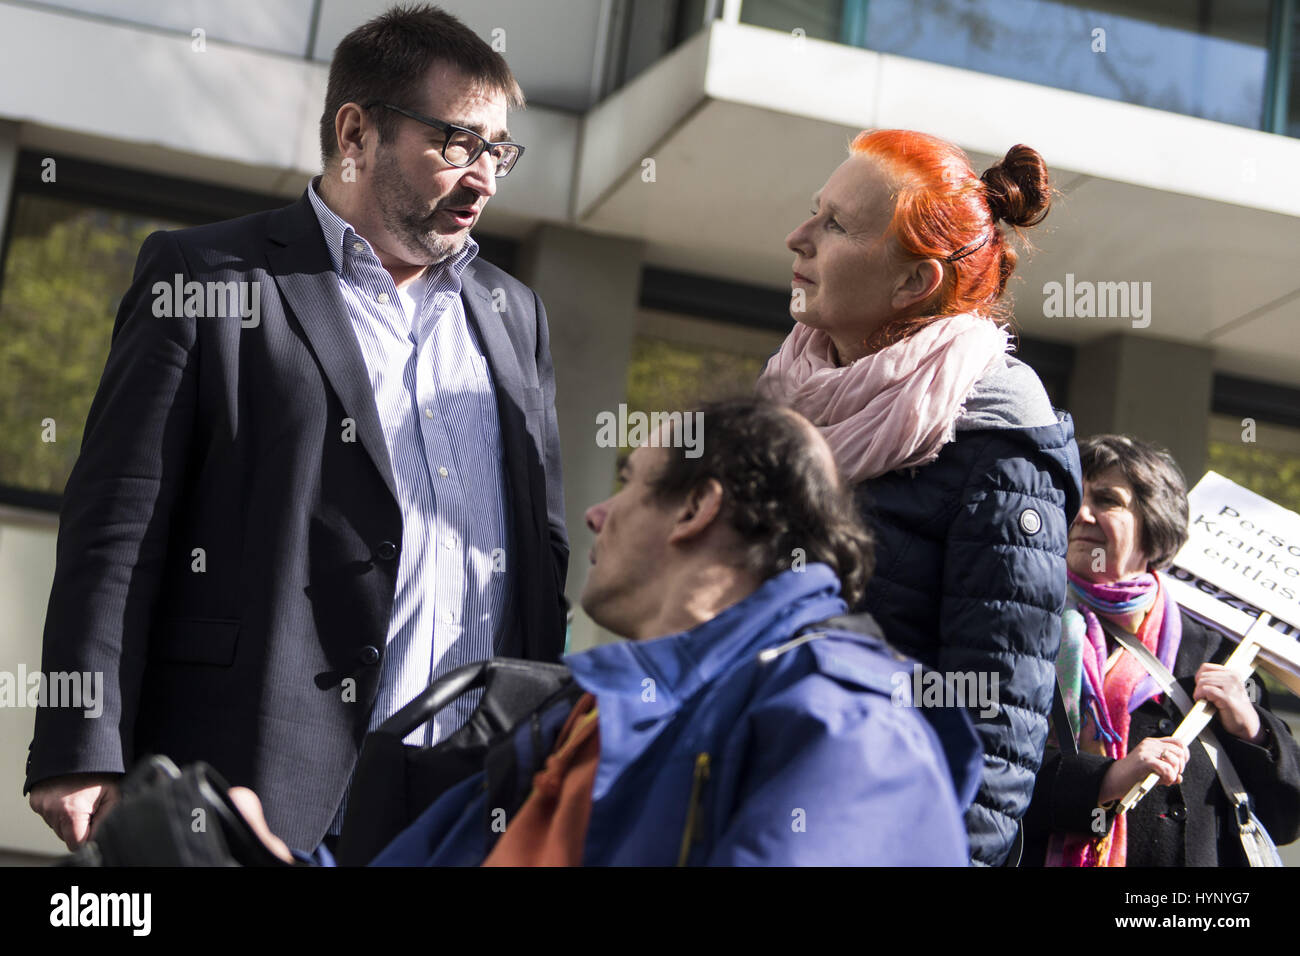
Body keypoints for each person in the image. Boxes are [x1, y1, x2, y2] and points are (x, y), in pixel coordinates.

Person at [26, 4, 568, 854]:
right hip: (258, 773)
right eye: (458, 143)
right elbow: (117, 529)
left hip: (464, 798)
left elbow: (542, 554)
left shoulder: (515, 314)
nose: (485, 177)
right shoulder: (207, 276)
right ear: (357, 131)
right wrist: (79, 744)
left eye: (499, 151)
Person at [224, 398, 982, 865]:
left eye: (630, 484)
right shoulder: (582, 712)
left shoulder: (851, 724)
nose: (597, 513)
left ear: (696, 510)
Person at [757, 129, 1082, 865]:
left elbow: (994, 727)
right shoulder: (786, 394)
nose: (797, 238)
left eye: (836, 226)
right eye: (816, 212)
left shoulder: (997, 442)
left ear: (915, 284)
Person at [1023, 435, 1300, 866]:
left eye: (1106, 500)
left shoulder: (1213, 647)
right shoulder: (1023, 624)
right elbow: (987, 778)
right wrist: (1105, 780)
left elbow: (1286, 818)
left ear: (1153, 525)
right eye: (1074, 496)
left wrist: (1250, 727)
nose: (1081, 513)